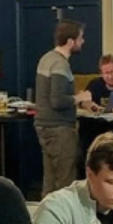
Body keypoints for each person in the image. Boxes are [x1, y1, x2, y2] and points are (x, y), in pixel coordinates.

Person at [36, 20, 90, 192]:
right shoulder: (60, 64)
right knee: (65, 181)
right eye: (80, 38)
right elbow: (57, 101)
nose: (83, 41)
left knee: (50, 180)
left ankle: (47, 209)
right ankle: (64, 210)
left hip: (44, 126)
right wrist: (80, 97)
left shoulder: (46, 58)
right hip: (60, 128)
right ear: (70, 41)